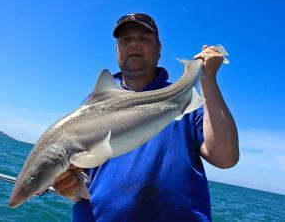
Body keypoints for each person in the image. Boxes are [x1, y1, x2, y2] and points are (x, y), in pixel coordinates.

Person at [53, 13, 239, 222]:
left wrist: (207, 79)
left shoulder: (185, 104)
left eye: (143, 38)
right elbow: (83, 177)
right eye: (125, 40)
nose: (134, 44)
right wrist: (71, 189)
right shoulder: (92, 105)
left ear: (159, 49)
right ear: (117, 50)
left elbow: (225, 158)